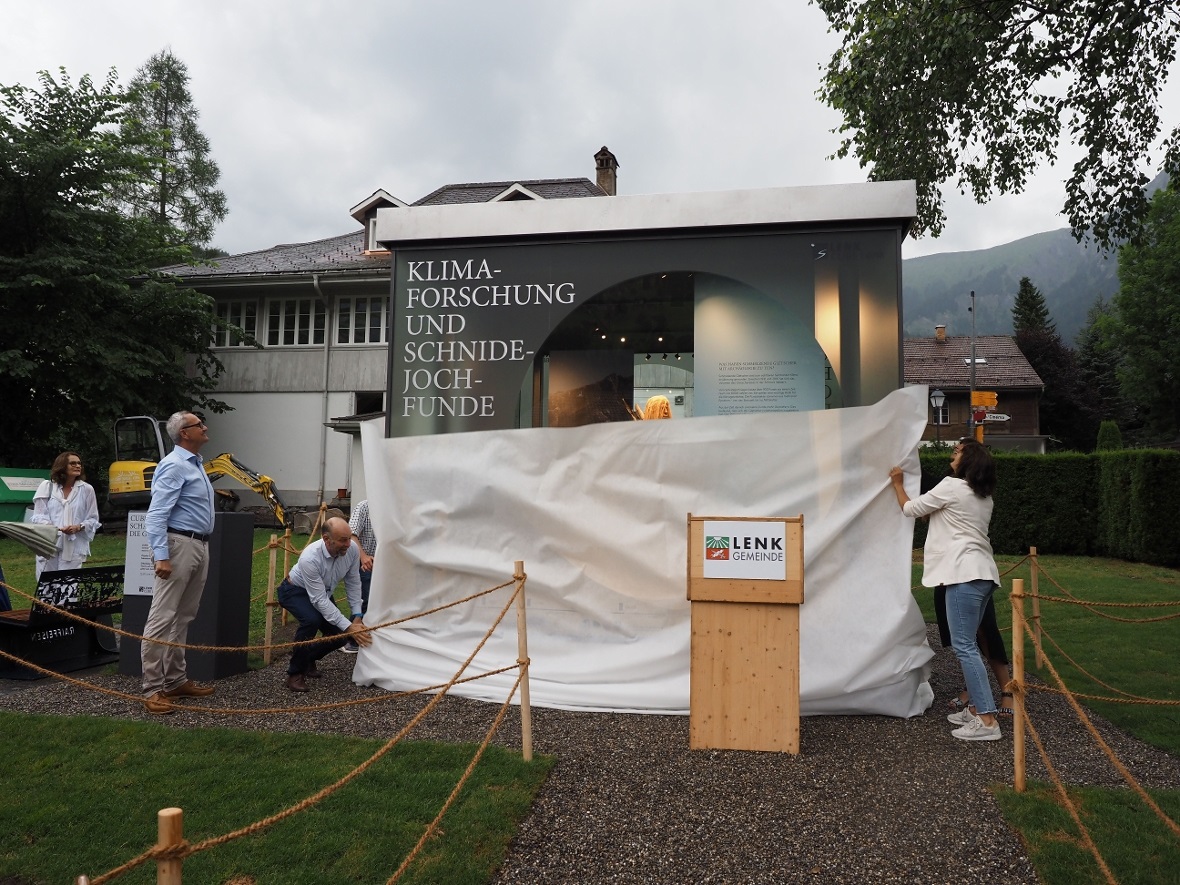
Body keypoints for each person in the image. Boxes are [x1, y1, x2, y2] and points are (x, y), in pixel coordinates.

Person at [890, 438, 1003, 741]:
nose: (952, 455)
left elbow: (911, 509)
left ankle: (988, 721)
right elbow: (944, 517)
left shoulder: (951, 487)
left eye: (957, 452)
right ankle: (979, 710)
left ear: (967, 462)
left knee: (965, 646)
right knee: (970, 646)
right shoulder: (982, 496)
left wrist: (898, 483)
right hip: (983, 574)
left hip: (963, 574)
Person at [141, 412, 217, 715]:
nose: (205, 427)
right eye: (199, 424)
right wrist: (161, 556)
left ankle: (174, 680)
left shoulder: (194, 465)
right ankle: (152, 688)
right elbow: (157, 514)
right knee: (162, 617)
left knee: (184, 616)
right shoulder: (173, 466)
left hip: (198, 544)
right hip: (178, 545)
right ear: (185, 433)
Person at [278, 516, 372, 691]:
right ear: (326, 539)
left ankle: (306, 658)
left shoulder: (351, 550)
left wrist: (357, 616)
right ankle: (295, 674)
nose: (348, 544)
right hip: (294, 591)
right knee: (311, 621)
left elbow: (353, 582)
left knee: (338, 635)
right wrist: (349, 626)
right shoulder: (310, 558)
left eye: (349, 538)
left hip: (322, 593)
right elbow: (318, 600)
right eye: (343, 540)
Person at [30, 452, 101, 580]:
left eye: (79, 463)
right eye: (72, 463)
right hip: (48, 542)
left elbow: (93, 518)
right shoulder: (47, 486)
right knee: (47, 585)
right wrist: (55, 528)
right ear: (62, 466)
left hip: (73, 545)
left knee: (67, 587)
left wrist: (78, 527)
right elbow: (39, 516)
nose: (77, 466)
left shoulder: (87, 489)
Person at [342, 499, 376, 654]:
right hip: (365, 562)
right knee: (364, 599)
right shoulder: (364, 506)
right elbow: (352, 534)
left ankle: (370, 634)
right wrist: (363, 557)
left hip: (383, 564)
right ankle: (352, 639)